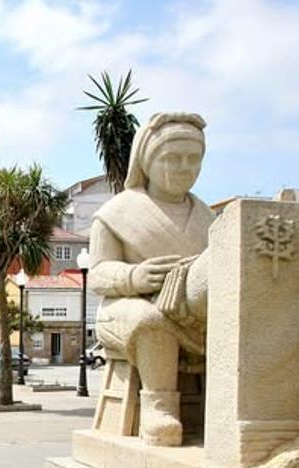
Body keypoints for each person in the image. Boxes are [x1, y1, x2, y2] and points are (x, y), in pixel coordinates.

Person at [89, 111, 214, 446]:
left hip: (190, 310)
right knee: (150, 320)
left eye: (193, 159)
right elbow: (98, 273)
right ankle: (158, 408)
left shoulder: (208, 218)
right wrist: (134, 276)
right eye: (172, 158)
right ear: (147, 160)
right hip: (126, 307)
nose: (184, 168)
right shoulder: (117, 212)